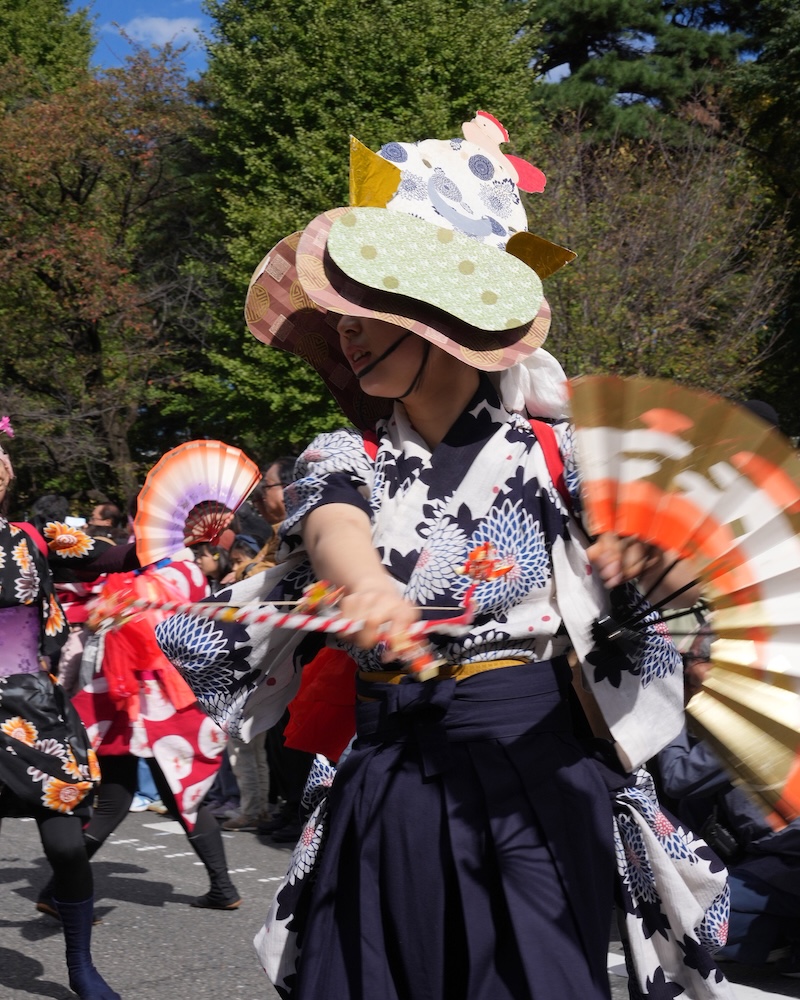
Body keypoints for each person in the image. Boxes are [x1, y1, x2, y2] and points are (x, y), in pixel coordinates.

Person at [157, 120, 729, 999]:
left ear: (440, 318)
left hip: (535, 763)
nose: (347, 334)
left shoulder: (565, 452)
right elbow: (334, 527)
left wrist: (654, 562)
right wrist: (366, 586)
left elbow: (677, 557)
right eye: (342, 315)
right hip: (390, 767)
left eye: (369, 313)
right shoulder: (341, 455)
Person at [0, 419, 121, 1000]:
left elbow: (117, 552)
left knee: (68, 845)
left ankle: (81, 966)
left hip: (34, 710)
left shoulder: (33, 537)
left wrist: (181, 536)